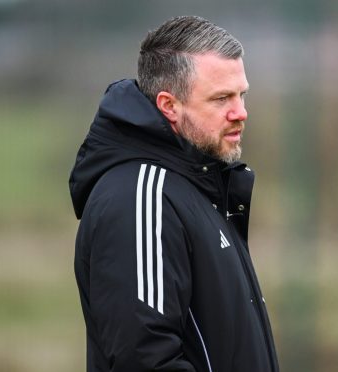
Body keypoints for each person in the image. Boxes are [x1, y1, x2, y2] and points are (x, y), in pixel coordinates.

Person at [68, 16, 279, 372]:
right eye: (221, 98)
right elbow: (146, 360)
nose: (241, 113)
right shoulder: (139, 196)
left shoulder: (199, 184)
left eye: (242, 95)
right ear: (169, 105)